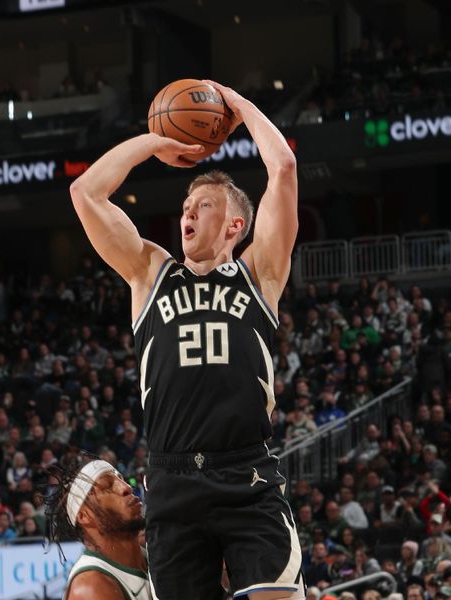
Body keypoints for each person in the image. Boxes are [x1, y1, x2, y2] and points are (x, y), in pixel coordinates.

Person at [68, 80, 301, 600]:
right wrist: (154, 141)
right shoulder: (150, 272)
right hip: (172, 479)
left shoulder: (259, 272)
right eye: (185, 206)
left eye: (203, 205)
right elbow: (85, 192)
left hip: (248, 474)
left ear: (236, 223)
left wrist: (237, 105)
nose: (188, 214)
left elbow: (282, 167)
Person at [43, 459, 148, 599]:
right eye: (107, 486)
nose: (126, 487)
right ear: (84, 516)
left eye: (121, 479)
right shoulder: (91, 587)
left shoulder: (153, 554)